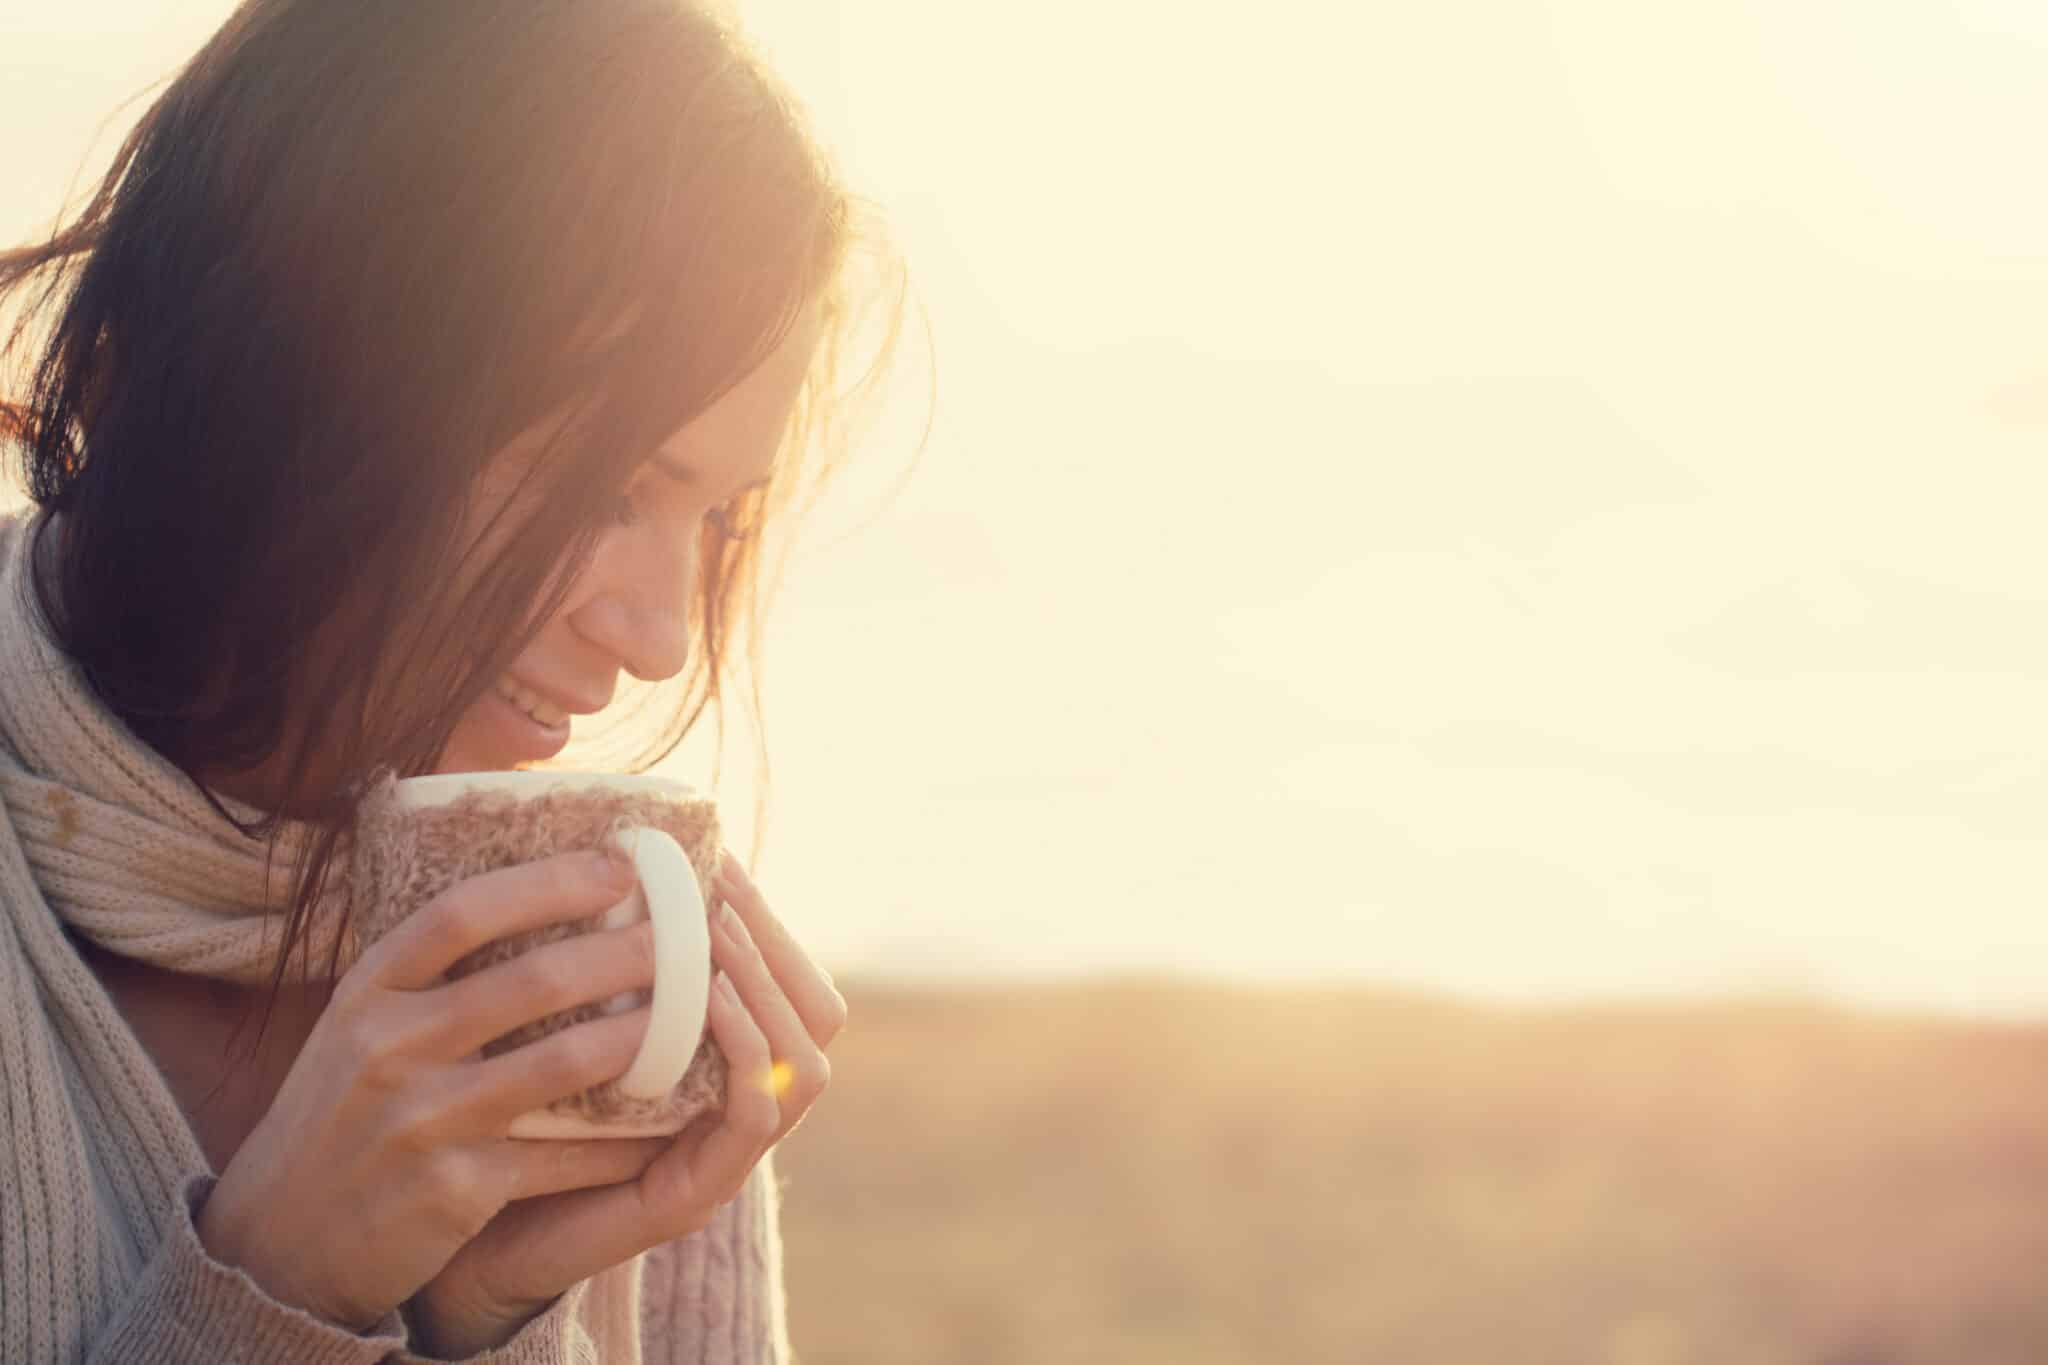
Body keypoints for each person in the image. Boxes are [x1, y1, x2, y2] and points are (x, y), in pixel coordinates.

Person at [0, 1, 907, 1360]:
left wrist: (487, 1318)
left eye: (716, 519)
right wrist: (276, 1287)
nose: (662, 637)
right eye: (608, 488)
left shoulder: (620, 999)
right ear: (314, 368)